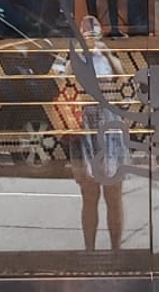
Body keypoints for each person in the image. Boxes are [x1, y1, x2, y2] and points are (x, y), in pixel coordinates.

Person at [52, 17, 127, 253]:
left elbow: (123, 77)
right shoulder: (75, 55)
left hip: (109, 122)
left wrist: (106, 52)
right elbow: (59, 79)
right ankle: (89, 250)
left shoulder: (105, 55)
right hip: (84, 122)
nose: (90, 36)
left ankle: (116, 249)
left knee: (113, 192)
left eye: (93, 31)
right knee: (89, 193)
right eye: (86, 31)